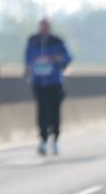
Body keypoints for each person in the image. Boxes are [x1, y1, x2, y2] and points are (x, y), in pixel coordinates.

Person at [23, 18, 72, 156]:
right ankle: (43, 140)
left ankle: (55, 140)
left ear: (50, 27)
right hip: (38, 82)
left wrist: (57, 59)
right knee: (42, 111)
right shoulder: (33, 41)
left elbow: (68, 58)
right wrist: (27, 69)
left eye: (46, 26)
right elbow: (27, 58)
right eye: (41, 26)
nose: (43, 28)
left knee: (54, 111)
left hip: (54, 82)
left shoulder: (57, 41)